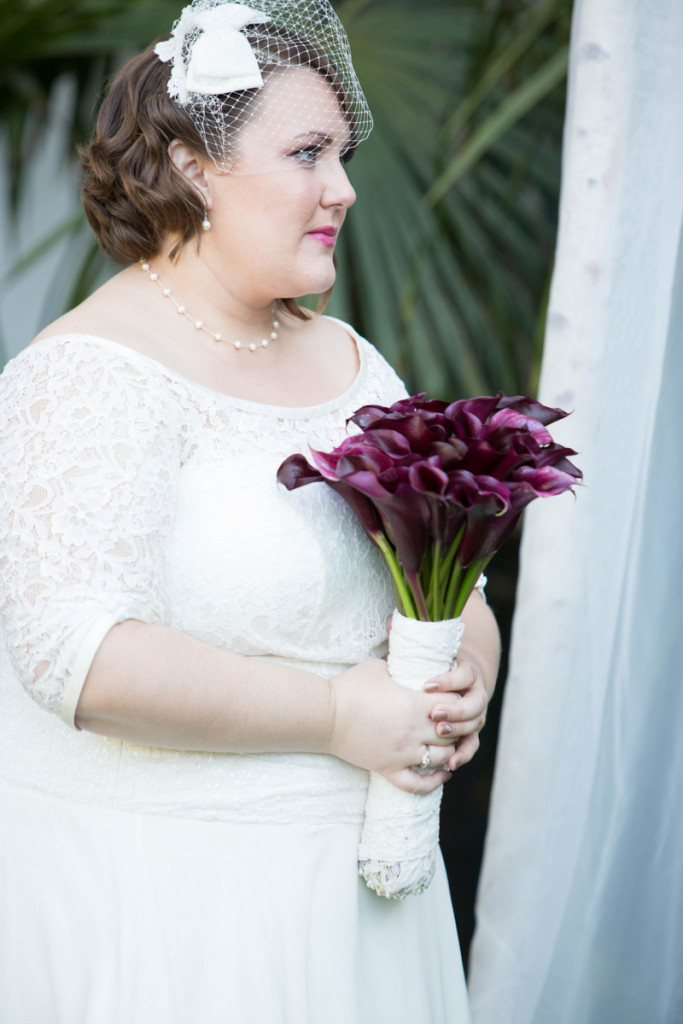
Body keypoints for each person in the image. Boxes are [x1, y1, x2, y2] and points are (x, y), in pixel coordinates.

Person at [0, 1, 500, 1021]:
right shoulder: (92, 373)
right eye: (308, 153)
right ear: (192, 167)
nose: (345, 189)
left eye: (343, 153)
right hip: (179, 909)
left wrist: (460, 681)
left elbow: (455, 574)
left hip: (363, 904)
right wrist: (335, 716)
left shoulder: (355, 364)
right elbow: (75, 655)